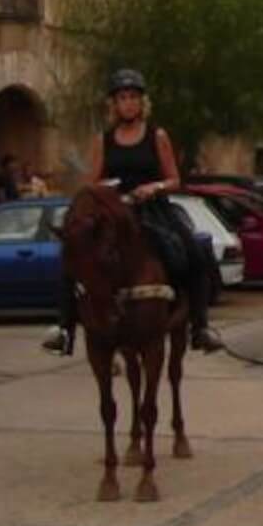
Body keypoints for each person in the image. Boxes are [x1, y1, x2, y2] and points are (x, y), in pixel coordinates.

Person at [43, 69, 224, 355]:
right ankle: (64, 328)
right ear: (113, 104)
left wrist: (154, 187)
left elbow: (174, 179)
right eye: (122, 98)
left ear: (142, 103)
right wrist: (106, 188)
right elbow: (91, 183)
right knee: (74, 253)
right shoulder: (104, 139)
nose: (128, 103)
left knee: (194, 248)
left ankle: (200, 326)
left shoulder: (157, 135)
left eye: (133, 98)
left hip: (153, 208)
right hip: (114, 210)